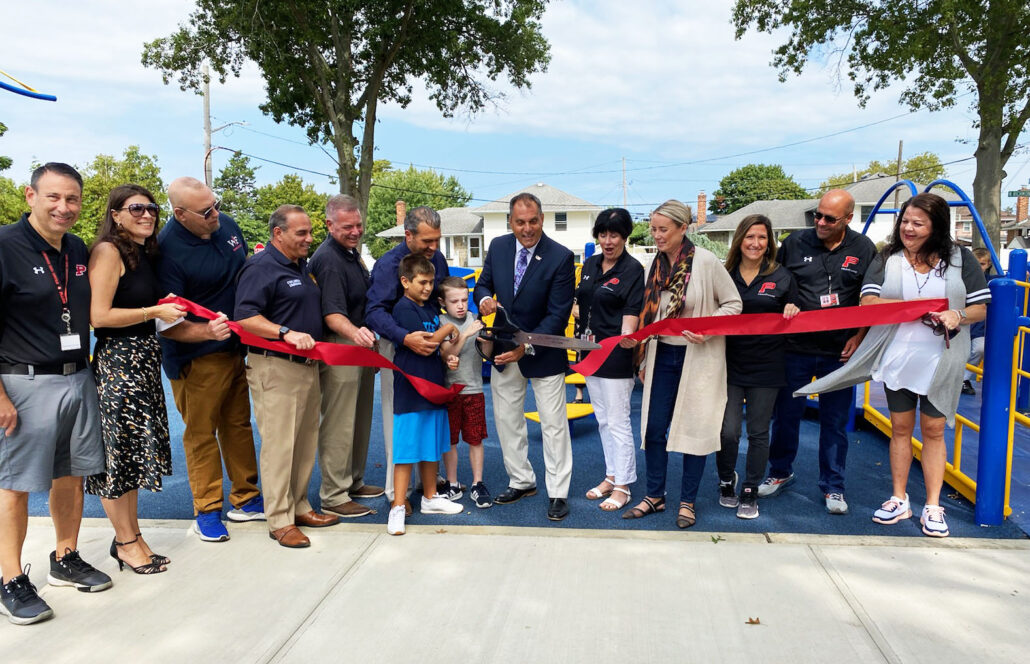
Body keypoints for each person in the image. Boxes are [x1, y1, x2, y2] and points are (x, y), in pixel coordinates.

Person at [797, 193, 989, 537]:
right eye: (905, 222)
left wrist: (955, 313)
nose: (908, 229)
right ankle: (898, 498)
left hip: (942, 357)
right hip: (900, 354)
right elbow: (869, 300)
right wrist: (914, 309)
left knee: (933, 430)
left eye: (918, 223)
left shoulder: (960, 259)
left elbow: (981, 307)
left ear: (936, 227)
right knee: (900, 428)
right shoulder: (888, 258)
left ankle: (933, 505)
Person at [0, 163, 112, 626]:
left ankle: (65, 557)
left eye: (72, 199)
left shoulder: (77, 249)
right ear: (30, 196)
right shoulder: (5, 246)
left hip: (76, 375)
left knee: (72, 474)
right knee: (16, 485)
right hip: (23, 382)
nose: (64, 208)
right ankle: (10, 579)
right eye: (54, 198)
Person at [621, 200, 742, 529]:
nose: (656, 235)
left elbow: (734, 304)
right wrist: (642, 352)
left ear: (682, 228)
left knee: (695, 429)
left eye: (663, 230)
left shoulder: (705, 262)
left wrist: (708, 326)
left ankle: (687, 502)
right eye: (653, 229)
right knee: (653, 428)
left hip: (698, 358)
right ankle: (655, 495)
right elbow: (651, 314)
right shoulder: (655, 265)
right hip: (662, 356)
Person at [158, 177, 264, 543]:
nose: (215, 214)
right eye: (206, 212)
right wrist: (206, 333)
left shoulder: (227, 224)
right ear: (180, 214)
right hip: (197, 356)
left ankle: (246, 498)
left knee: (238, 423)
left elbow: (247, 272)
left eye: (215, 203)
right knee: (202, 433)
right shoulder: (165, 251)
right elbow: (165, 322)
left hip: (237, 347)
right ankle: (207, 508)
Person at [86, 185, 185, 574]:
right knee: (117, 459)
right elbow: (100, 316)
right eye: (136, 208)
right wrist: (152, 310)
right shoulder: (108, 251)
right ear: (116, 214)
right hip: (118, 366)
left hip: (142, 364)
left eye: (151, 208)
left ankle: (133, 536)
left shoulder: (142, 253)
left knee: (131, 460)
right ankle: (126, 542)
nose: (147, 214)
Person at [760, 189, 876, 514]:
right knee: (785, 416)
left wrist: (860, 336)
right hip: (795, 347)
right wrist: (786, 303)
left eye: (829, 218)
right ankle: (780, 471)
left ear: (849, 219)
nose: (820, 222)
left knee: (835, 421)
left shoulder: (864, 248)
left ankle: (833, 486)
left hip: (839, 350)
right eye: (817, 215)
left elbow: (871, 298)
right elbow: (776, 286)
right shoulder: (795, 243)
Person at [236, 205, 339, 548]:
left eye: (310, 232)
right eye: (302, 233)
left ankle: (299, 506)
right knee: (281, 445)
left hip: (307, 366)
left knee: (304, 442)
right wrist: (284, 332)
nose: (310, 239)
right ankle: (279, 519)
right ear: (278, 234)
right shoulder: (261, 267)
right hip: (276, 366)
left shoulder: (301, 266)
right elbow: (245, 318)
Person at [473, 192, 576, 521]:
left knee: (553, 425)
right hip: (505, 350)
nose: (527, 228)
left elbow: (557, 316)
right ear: (510, 222)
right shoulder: (499, 247)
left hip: (542, 352)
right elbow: (482, 285)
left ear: (543, 219)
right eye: (520, 222)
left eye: (533, 221)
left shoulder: (560, 257)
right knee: (507, 421)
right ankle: (521, 480)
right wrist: (486, 298)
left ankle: (558, 492)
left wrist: (526, 347)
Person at [366, 206, 450, 509]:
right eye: (427, 241)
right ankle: (394, 494)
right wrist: (405, 338)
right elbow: (374, 311)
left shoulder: (436, 259)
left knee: (427, 414)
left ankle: (424, 484)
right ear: (408, 234)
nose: (433, 248)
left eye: (437, 241)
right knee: (398, 417)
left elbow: (440, 298)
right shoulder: (388, 264)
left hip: (430, 345)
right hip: (398, 347)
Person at [716, 214, 798, 520]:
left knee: (759, 431)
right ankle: (727, 479)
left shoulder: (782, 276)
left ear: (770, 242)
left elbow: (793, 311)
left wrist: (792, 309)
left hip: (767, 365)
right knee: (728, 431)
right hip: (729, 363)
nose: (755, 243)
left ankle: (749, 488)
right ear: (740, 240)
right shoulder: (725, 274)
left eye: (762, 237)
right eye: (750, 237)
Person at [309, 195, 381, 519]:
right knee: (339, 422)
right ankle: (334, 495)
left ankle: (353, 481)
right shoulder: (328, 259)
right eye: (347, 226)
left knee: (360, 418)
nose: (355, 231)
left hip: (359, 344)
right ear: (329, 225)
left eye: (358, 225)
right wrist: (357, 335)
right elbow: (331, 314)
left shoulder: (351, 254)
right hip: (340, 346)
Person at [573, 208, 644, 512]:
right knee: (602, 420)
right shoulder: (589, 264)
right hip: (588, 353)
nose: (608, 240)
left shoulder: (632, 269)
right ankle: (611, 475)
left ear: (625, 236)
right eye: (603, 234)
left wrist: (627, 336)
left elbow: (631, 313)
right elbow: (580, 301)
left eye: (614, 234)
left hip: (615, 356)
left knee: (618, 422)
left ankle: (624, 485)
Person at [387, 255, 463, 535]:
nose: (428, 287)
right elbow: (429, 343)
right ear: (405, 281)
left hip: (434, 386)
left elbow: (438, 349)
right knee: (406, 449)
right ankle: (397, 506)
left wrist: (448, 359)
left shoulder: (429, 310)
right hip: (411, 389)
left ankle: (430, 497)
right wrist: (450, 327)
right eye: (422, 282)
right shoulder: (403, 308)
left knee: (431, 445)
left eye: (431, 282)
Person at [438, 276, 491, 508]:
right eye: (454, 301)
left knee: (475, 438)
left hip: (474, 388)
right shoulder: (440, 322)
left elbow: (486, 353)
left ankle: (478, 483)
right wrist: (466, 334)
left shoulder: (474, 319)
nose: (460, 305)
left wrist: (486, 339)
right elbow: (447, 352)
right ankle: (452, 483)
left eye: (464, 299)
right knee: (450, 441)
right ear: (443, 302)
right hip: (450, 391)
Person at [962, 248, 994, 395]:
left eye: (982, 264)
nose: (978, 267)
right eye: (976, 264)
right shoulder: (963, 279)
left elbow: (1010, 281)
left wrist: (1024, 278)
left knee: (980, 348)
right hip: (962, 324)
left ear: (988, 265)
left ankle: (964, 379)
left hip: (979, 327)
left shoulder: (992, 282)